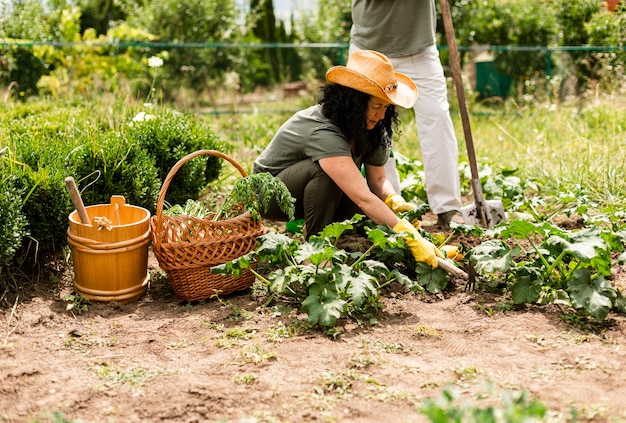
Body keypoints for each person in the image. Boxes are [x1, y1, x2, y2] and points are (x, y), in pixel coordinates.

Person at [253, 50, 444, 268]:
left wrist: (394, 200)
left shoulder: (372, 127)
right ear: (354, 103)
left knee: (370, 208)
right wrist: (408, 236)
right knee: (330, 176)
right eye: (376, 106)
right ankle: (316, 253)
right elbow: (363, 196)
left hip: (306, 192)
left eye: (386, 107)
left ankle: (316, 225)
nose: (382, 115)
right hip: (269, 195)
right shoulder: (323, 130)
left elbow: (378, 180)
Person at [350, 0, 463, 228]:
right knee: (371, 124)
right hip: (370, 47)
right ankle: (387, 207)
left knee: (437, 117)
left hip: (419, 47)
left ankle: (447, 206)